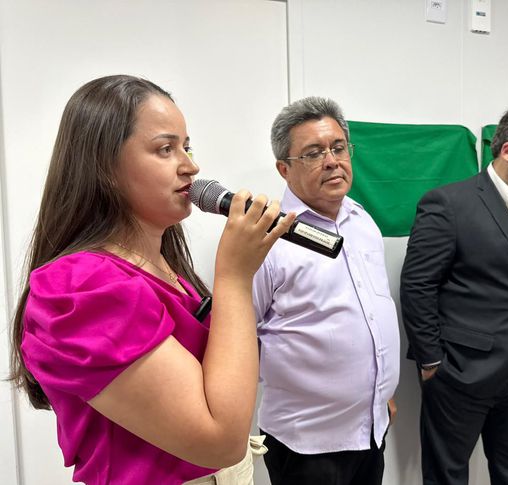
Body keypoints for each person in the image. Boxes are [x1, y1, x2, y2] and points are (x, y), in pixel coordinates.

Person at [9, 74, 295, 485]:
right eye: (165, 149)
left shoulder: (168, 267)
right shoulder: (81, 286)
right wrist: (235, 277)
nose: (191, 166)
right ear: (105, 168)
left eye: (186, 147)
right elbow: (220, 440)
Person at [401, 97, 508, 485]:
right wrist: (431, 360)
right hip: (461, 373)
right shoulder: (449, 203)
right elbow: (418, 285)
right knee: (447, 477)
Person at [251, 96, 400, 485]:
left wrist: (379, 391)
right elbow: (237, 337)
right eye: (314, 153)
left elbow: (370, 312)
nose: (332, 161)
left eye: (338, 147)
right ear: (284, 169)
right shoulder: (266, 237)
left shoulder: (362, 220)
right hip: (307, 443)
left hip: (371, 429)